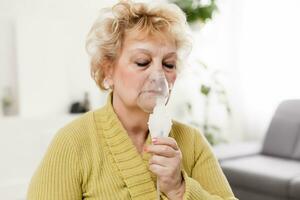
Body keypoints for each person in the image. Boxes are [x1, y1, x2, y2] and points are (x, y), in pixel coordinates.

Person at [27, 1, 238, 199]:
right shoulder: (72, 143)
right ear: (107, 69)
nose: (159, 75)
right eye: (142, 61)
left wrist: (178, 188)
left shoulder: (191, 142)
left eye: (169, 64)